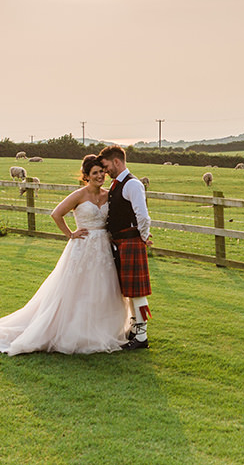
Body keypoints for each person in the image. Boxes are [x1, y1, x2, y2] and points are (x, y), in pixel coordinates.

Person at [0, 155, 129, 355]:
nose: (100, 176)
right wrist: (70, 234)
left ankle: (101, 330)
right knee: (77, 290)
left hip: (103, 247)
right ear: (86, 176)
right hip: (82, 247)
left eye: (101, 172)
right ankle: (72, 331)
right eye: (94, 173)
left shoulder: (108, 195)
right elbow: (56, 214)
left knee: (103, 289)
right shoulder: (79, 195)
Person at [98, 145, 153, 350]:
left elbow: (143, 215)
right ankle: (134, 328)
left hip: (131, 241)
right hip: (122, 242)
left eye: (106, 166)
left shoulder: (132, 184)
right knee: (129, 290)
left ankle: (141, 336)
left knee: (137, 292)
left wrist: (143, 237)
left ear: (117, 162)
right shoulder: (117, 184)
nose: (105, 171)